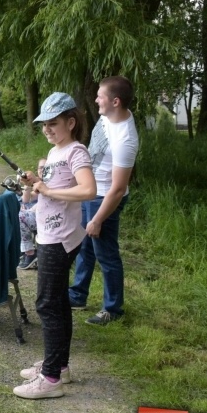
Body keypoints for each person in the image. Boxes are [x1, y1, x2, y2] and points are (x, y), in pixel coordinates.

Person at [13, 92, 96, 400]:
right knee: (58, 302)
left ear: (70, 122)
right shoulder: (54, 151)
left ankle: (50, 380)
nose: (47, 129)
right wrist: (33, 183)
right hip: (50, 234)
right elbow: (43, 194)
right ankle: (58, 367)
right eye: (44, 124)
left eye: (53, 123)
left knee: (47, 304)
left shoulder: (76, 151)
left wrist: (47, 187)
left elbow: (88, 190)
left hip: (59, 238)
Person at [68, 76, 139, 326]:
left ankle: (113, 309)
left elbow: (119, 189)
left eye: (101, 96)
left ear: (115, 101)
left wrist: (98, 219)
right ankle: (77, 295)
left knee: (106, 254)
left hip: (105, 199)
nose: (96, 99)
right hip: (92, 192)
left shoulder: (125, 140)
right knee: (85, 246)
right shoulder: (107, 117)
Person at [17, 157, 47, 270]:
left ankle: (29, 253)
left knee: (22, 216)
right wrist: (27, 184)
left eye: (45, 167)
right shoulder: (37, 182)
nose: (42, 170)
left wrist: (33, 208)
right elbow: (26, 199)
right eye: (40, 167)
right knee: (18, 211)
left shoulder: (51, 181)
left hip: (47, 217)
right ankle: (24, 250)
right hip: (36, 215)